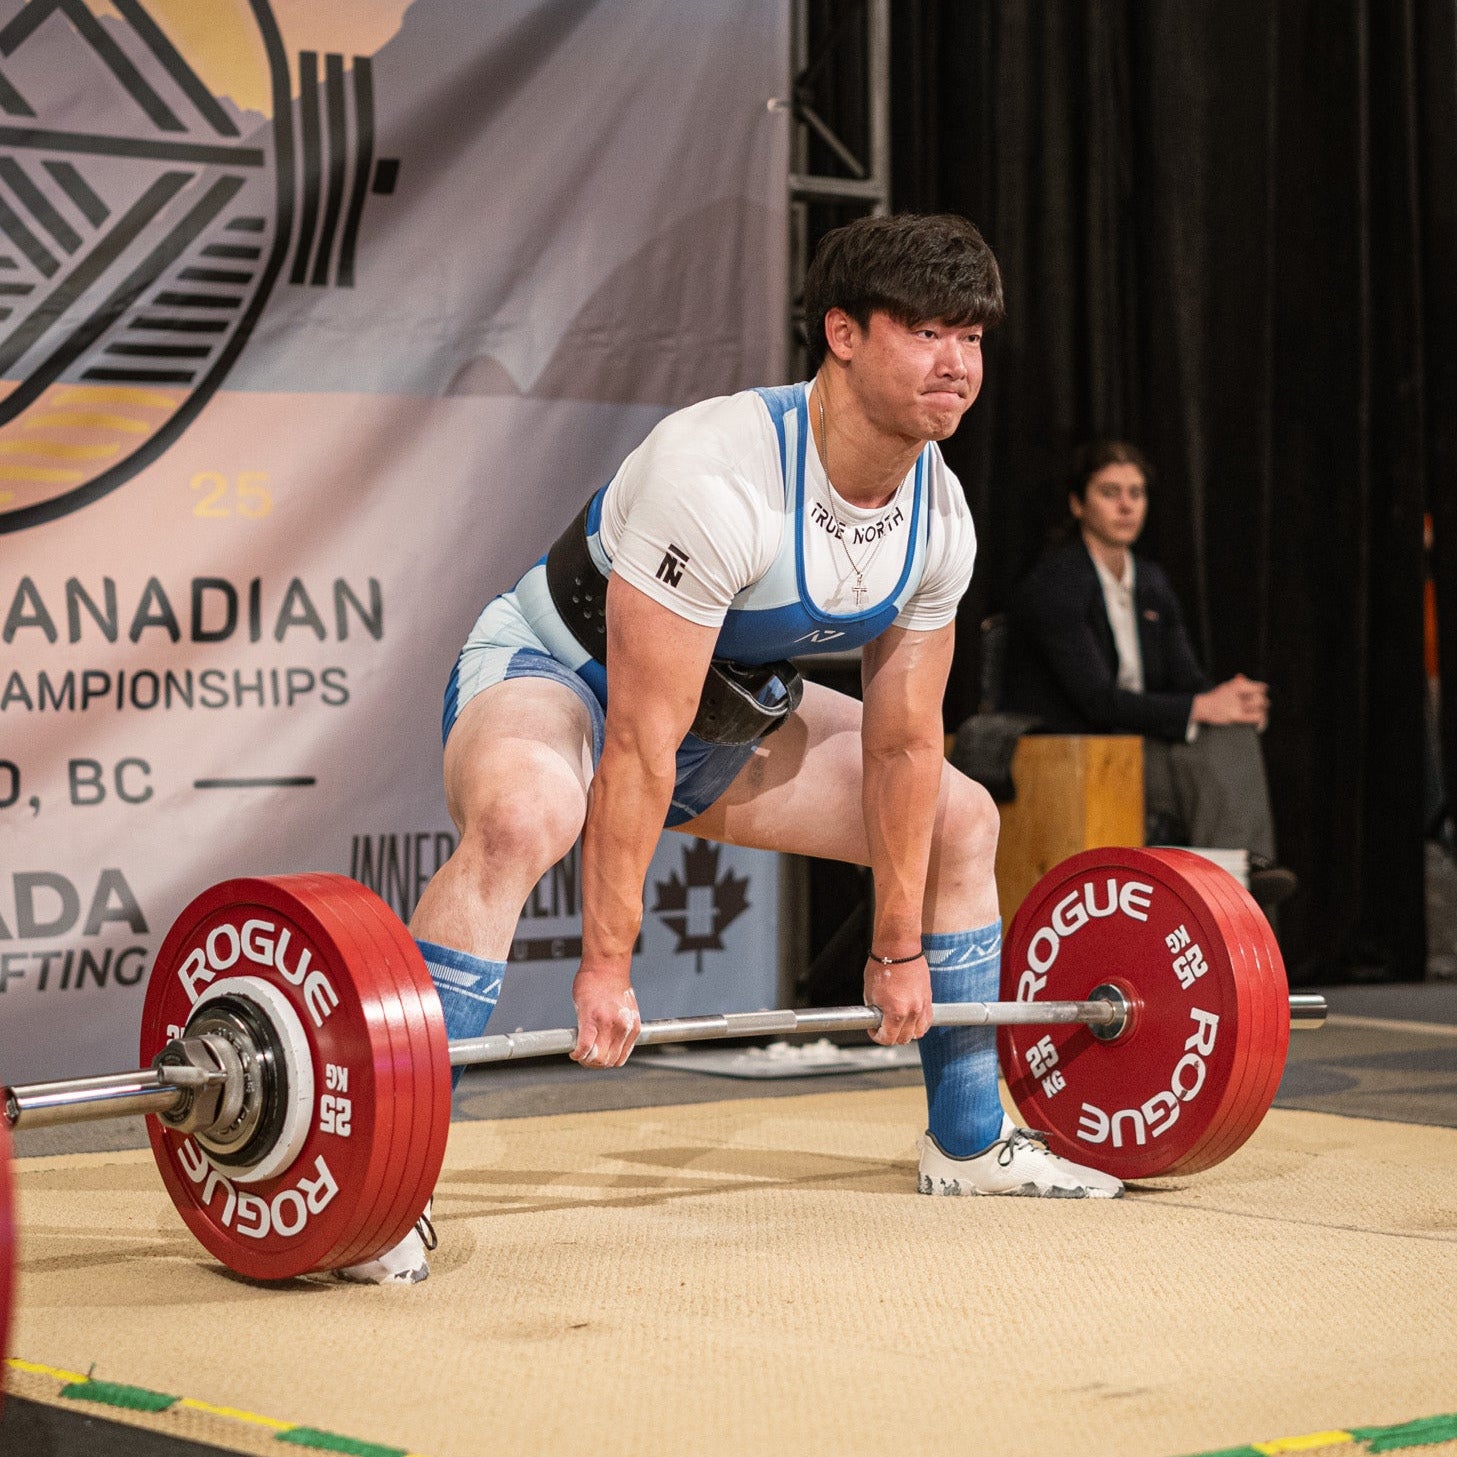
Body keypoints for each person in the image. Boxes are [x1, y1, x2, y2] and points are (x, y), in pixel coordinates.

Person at [340, 214, 1122, 1286]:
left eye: (972, 337)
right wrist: (605, 967)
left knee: (960, 817)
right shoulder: (717, 471)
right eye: (927, 332)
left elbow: (902, 744)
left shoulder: (939, 515)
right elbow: (635, 742)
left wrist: (897, 945)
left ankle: (967, 1140)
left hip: (721, 720)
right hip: (558, 680)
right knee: (527, 816)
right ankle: (384, 1180)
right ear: (841, 334)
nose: (956, 364)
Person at [1000, 439, 1297, 905]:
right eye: (1110, 492)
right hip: (1077, 753)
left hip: (1139, 748)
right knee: (1210, 749)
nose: (1126, 505)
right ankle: (1236, 886)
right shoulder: (1055, 585)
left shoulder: (1151, 582)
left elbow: (1187, 682)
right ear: (1078, 504)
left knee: (1230, 734)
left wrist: (1230, 701)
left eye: (1136, 493)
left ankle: (1237, 887)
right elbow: (1097, 701)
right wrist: (1201, 707)